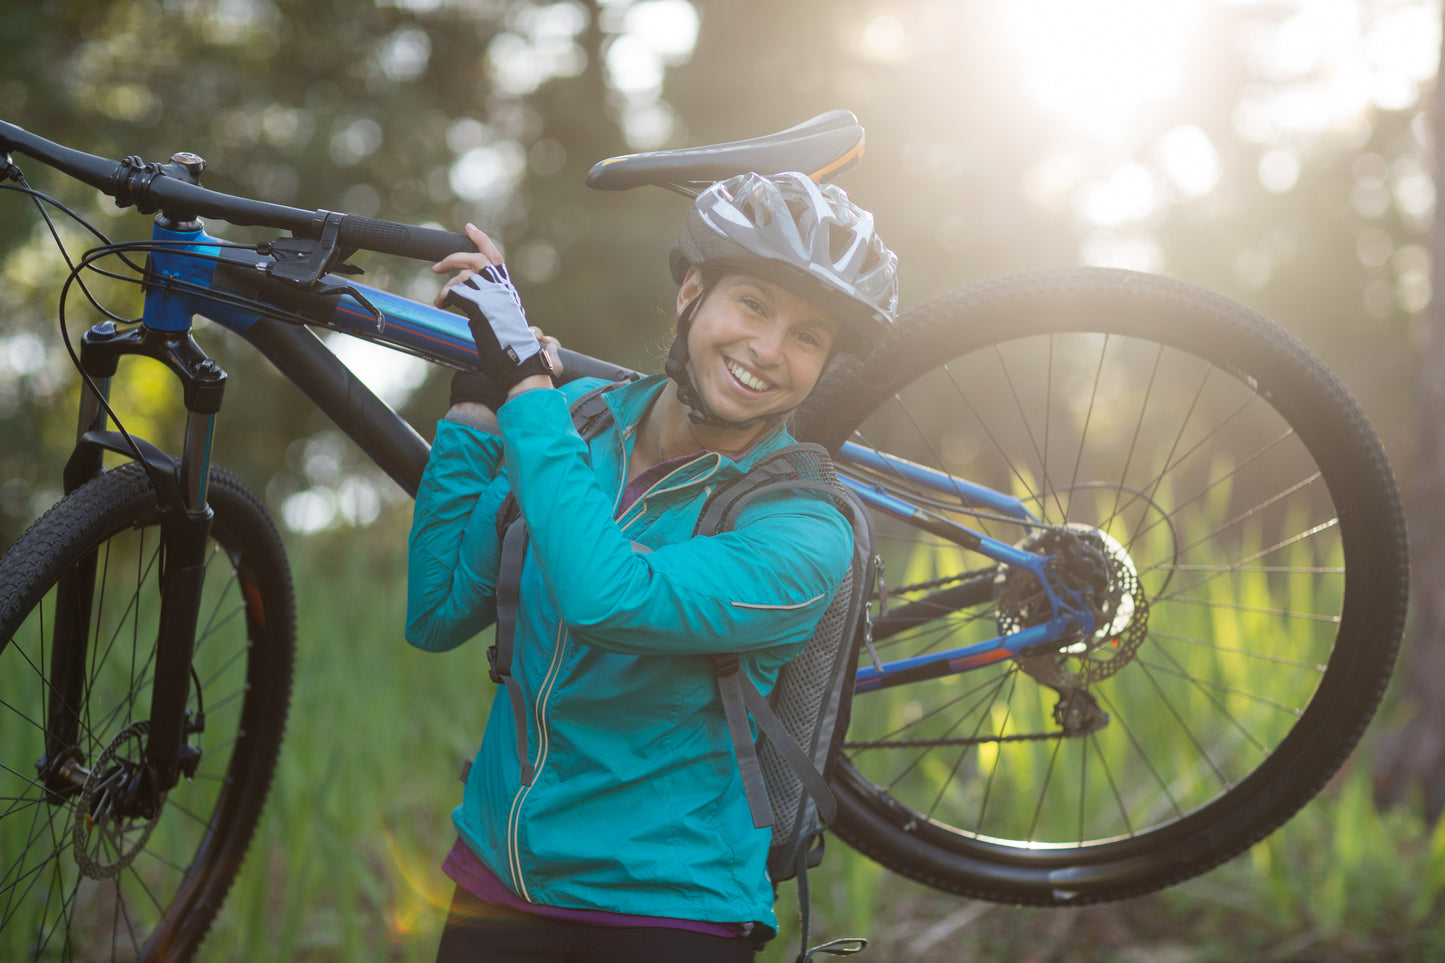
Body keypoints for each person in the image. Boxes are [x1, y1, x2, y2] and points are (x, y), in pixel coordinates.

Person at [405, 171, 898, 962]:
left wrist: (525, 384)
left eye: (808, 336)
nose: (768, 350)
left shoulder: (806, 529)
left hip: (669, 912)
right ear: (691, 292)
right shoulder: (576, 424)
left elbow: (608, 599)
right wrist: (475, 407)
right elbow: (434, 613)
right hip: (498, 883)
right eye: (753, 304)